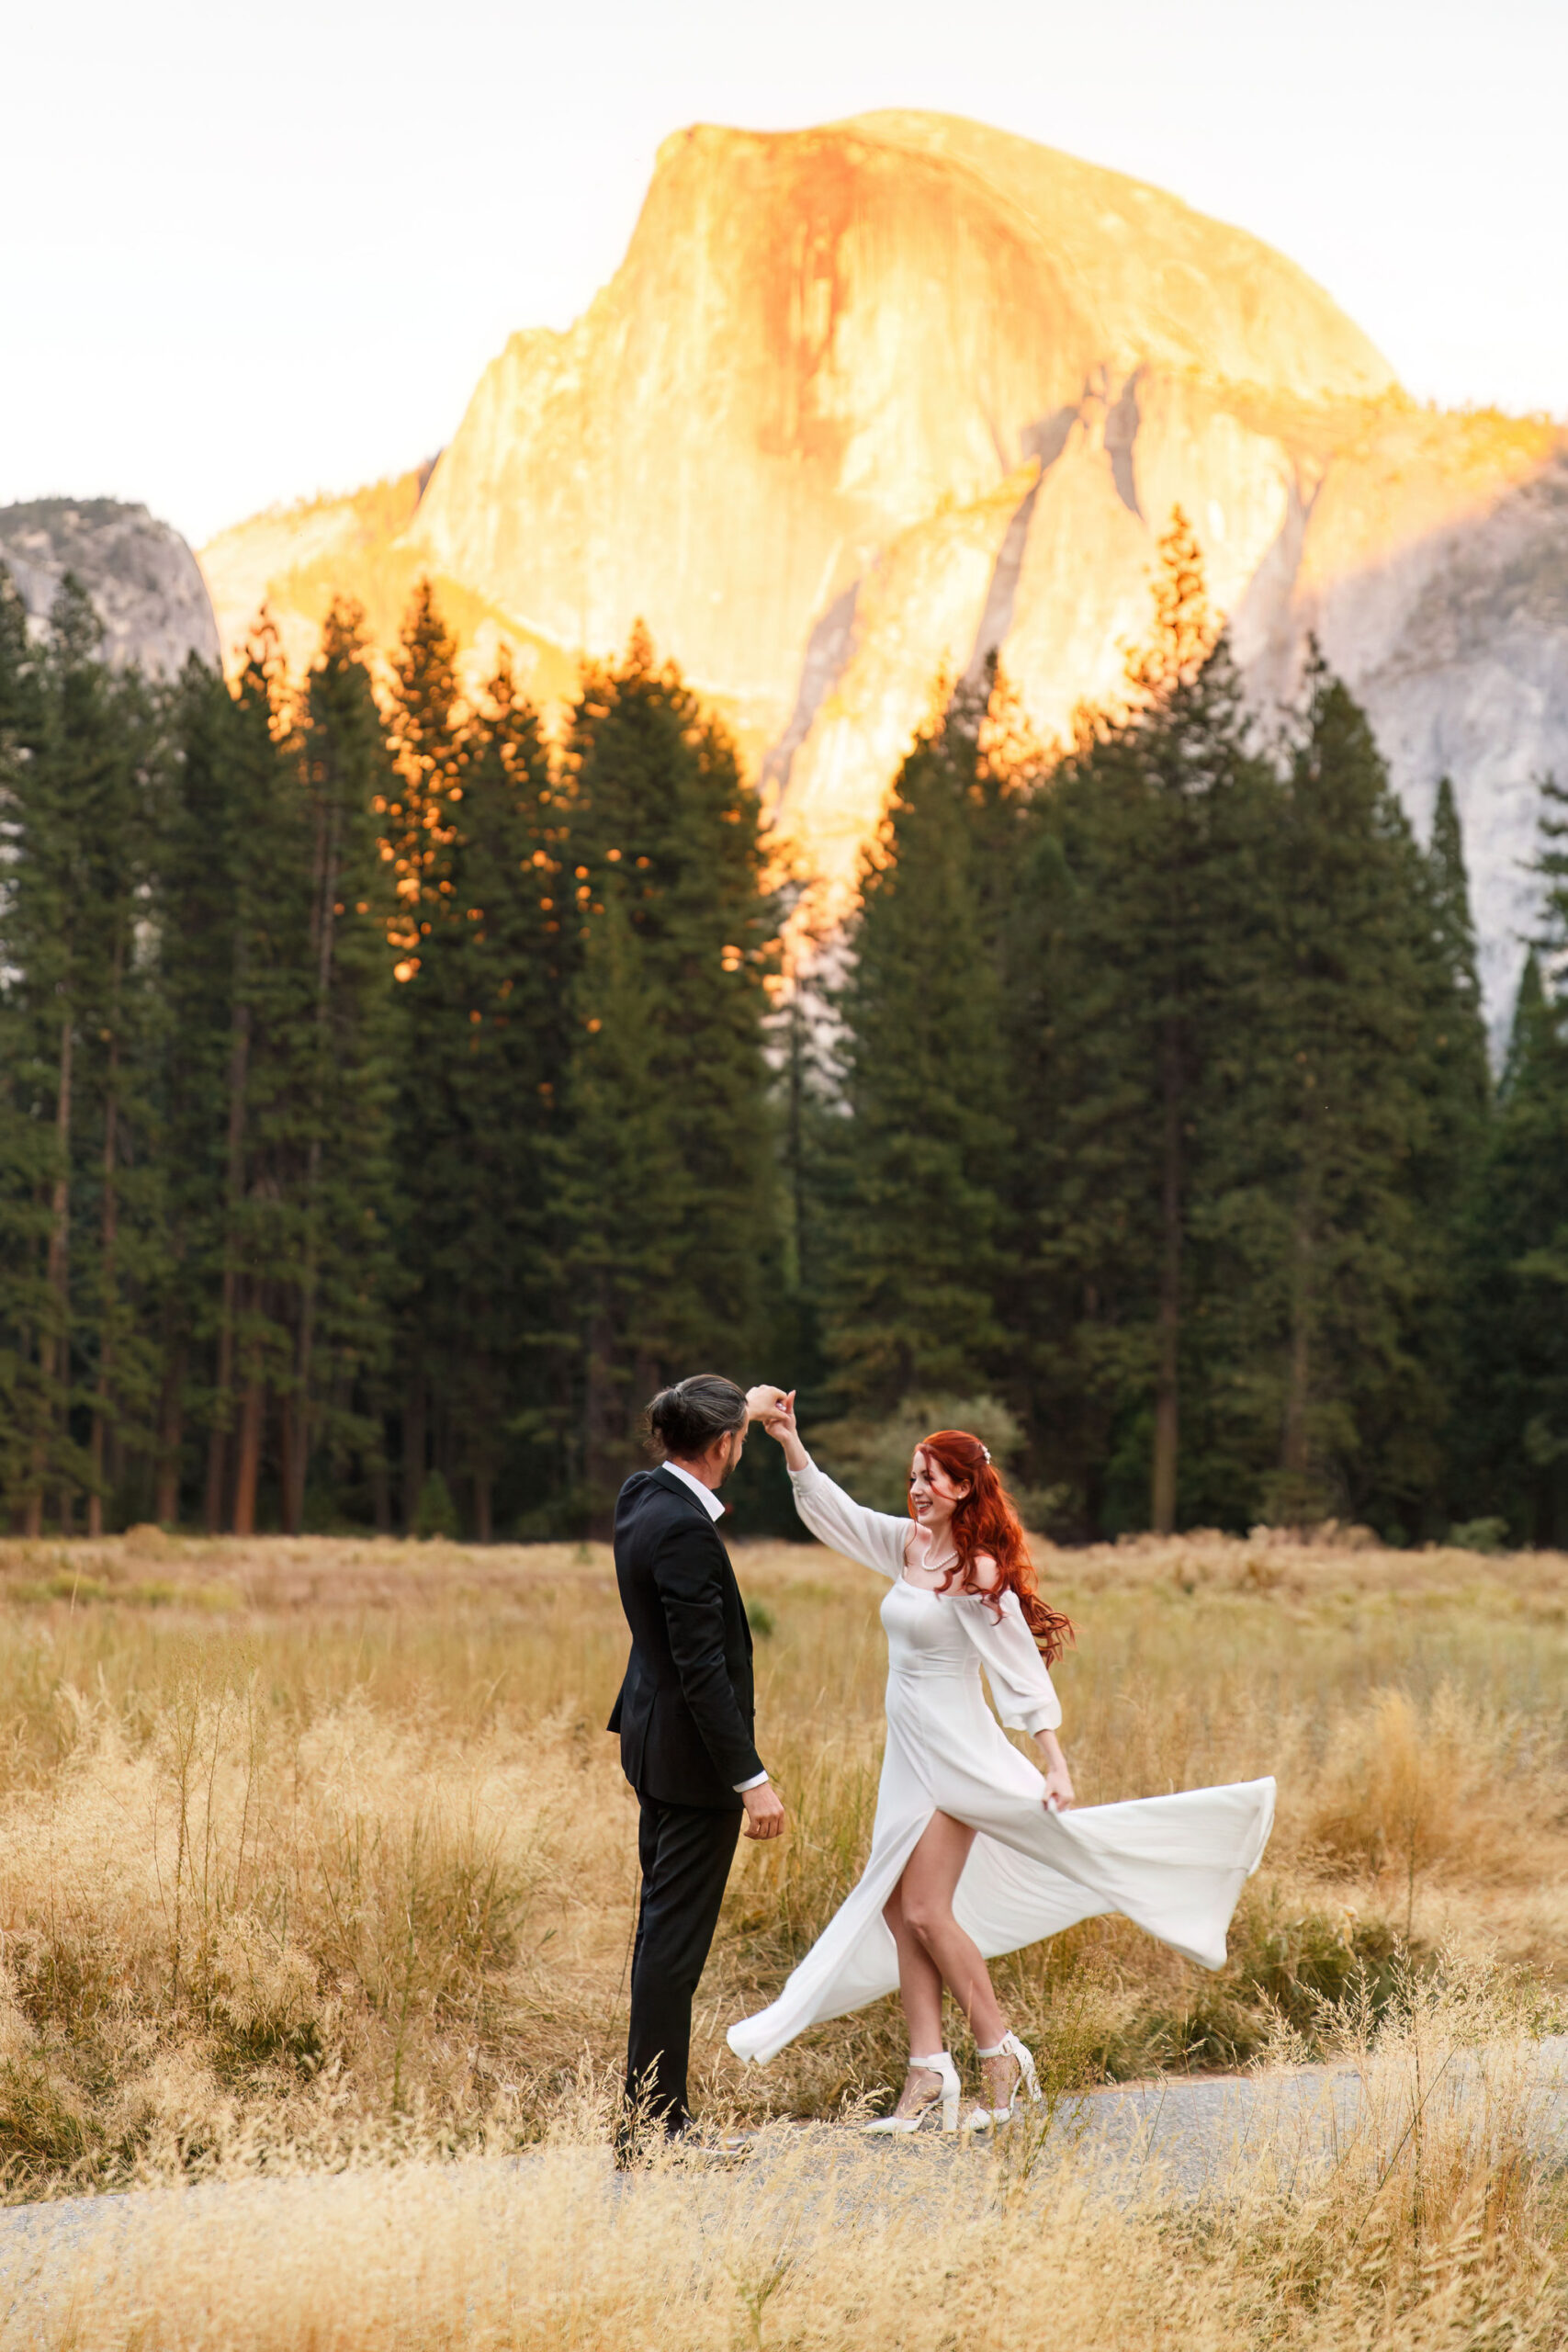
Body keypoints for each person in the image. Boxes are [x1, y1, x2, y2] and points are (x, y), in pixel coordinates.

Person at [730, 1389, 1275, 2133]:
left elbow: (1019, 1667)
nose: (917, 1490)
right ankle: (927, 2073)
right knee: (897, 1906)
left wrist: (1053, 1761)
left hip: (958, 1754)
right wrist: (790, 1442)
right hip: (908, 1755)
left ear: (963, 1488)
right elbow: (836, 1515)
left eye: (931, 1478)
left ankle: (999, 2053)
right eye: (913, 1477)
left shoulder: (975, 1569)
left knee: (923, 1909)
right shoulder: (906, 1546)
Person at [608, 1374, 786, 2150]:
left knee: (659, 1936)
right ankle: (655, 2129)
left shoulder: (640, 1495)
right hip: (692, 1766)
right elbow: (701, 1668)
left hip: (652, 1750)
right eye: (738, 1437)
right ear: (722, 1447)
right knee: (672, 1949)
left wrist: (740, 1410)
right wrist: (752, 1781)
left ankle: (646, 2119)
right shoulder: (684, 1530)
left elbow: (689, 1441)